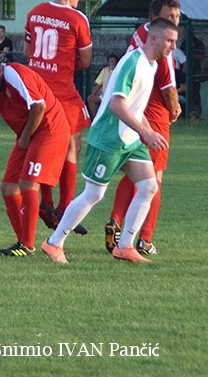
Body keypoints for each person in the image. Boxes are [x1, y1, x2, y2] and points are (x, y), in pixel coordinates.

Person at [42, 17, 177, 264]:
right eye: (170, 41)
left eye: (175, 41)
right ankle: (54, 243)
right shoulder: (133, 63)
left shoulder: (152, 65)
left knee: (148, 186)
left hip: (129, 139)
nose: (173, 47)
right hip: (108, 138)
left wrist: (146, 130)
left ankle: (125, 246)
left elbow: (135, 108)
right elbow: (117, 104)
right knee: (94, 194)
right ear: (154, 38)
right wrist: (146, 132)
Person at [0, 59, 70, 257]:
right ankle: (22, 240)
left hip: (48, 129)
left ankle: (28, 244)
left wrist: (26, 137)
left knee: (28, 184)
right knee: (8, 187)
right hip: (27, 133)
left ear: (0, 70)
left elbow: (39, 106)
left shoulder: (15, 74)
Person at [104, 0, 182, 255]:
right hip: (154, 112)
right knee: (154, 177)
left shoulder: (141, 33)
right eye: (168, 17)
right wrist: (175, 108)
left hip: (135, 108)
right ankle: (144, 239)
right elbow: (169, 86)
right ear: (154, 18)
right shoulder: (163, 44)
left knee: (137, 170)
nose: (173, 22)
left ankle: (115, 219)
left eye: (177, 17)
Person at [24, 0, 93, 234]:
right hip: (61, 92)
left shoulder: (34, 12)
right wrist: (61, 66)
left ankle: (47, 204)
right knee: (72, 146)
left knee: (44, 144)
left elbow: (30, 52)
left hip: (35, 90)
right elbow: (85, 61)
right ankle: (65, 207)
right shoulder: (77, 18)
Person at [87, 53, 118, 119]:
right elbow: (99, 84)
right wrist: (93, 94)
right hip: (104, 95)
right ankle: (95, 118)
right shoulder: (105, 70)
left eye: (113, 62)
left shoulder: (119, 70)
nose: (111, 63)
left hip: (114, 97)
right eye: (110, 61)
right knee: (90, 99)